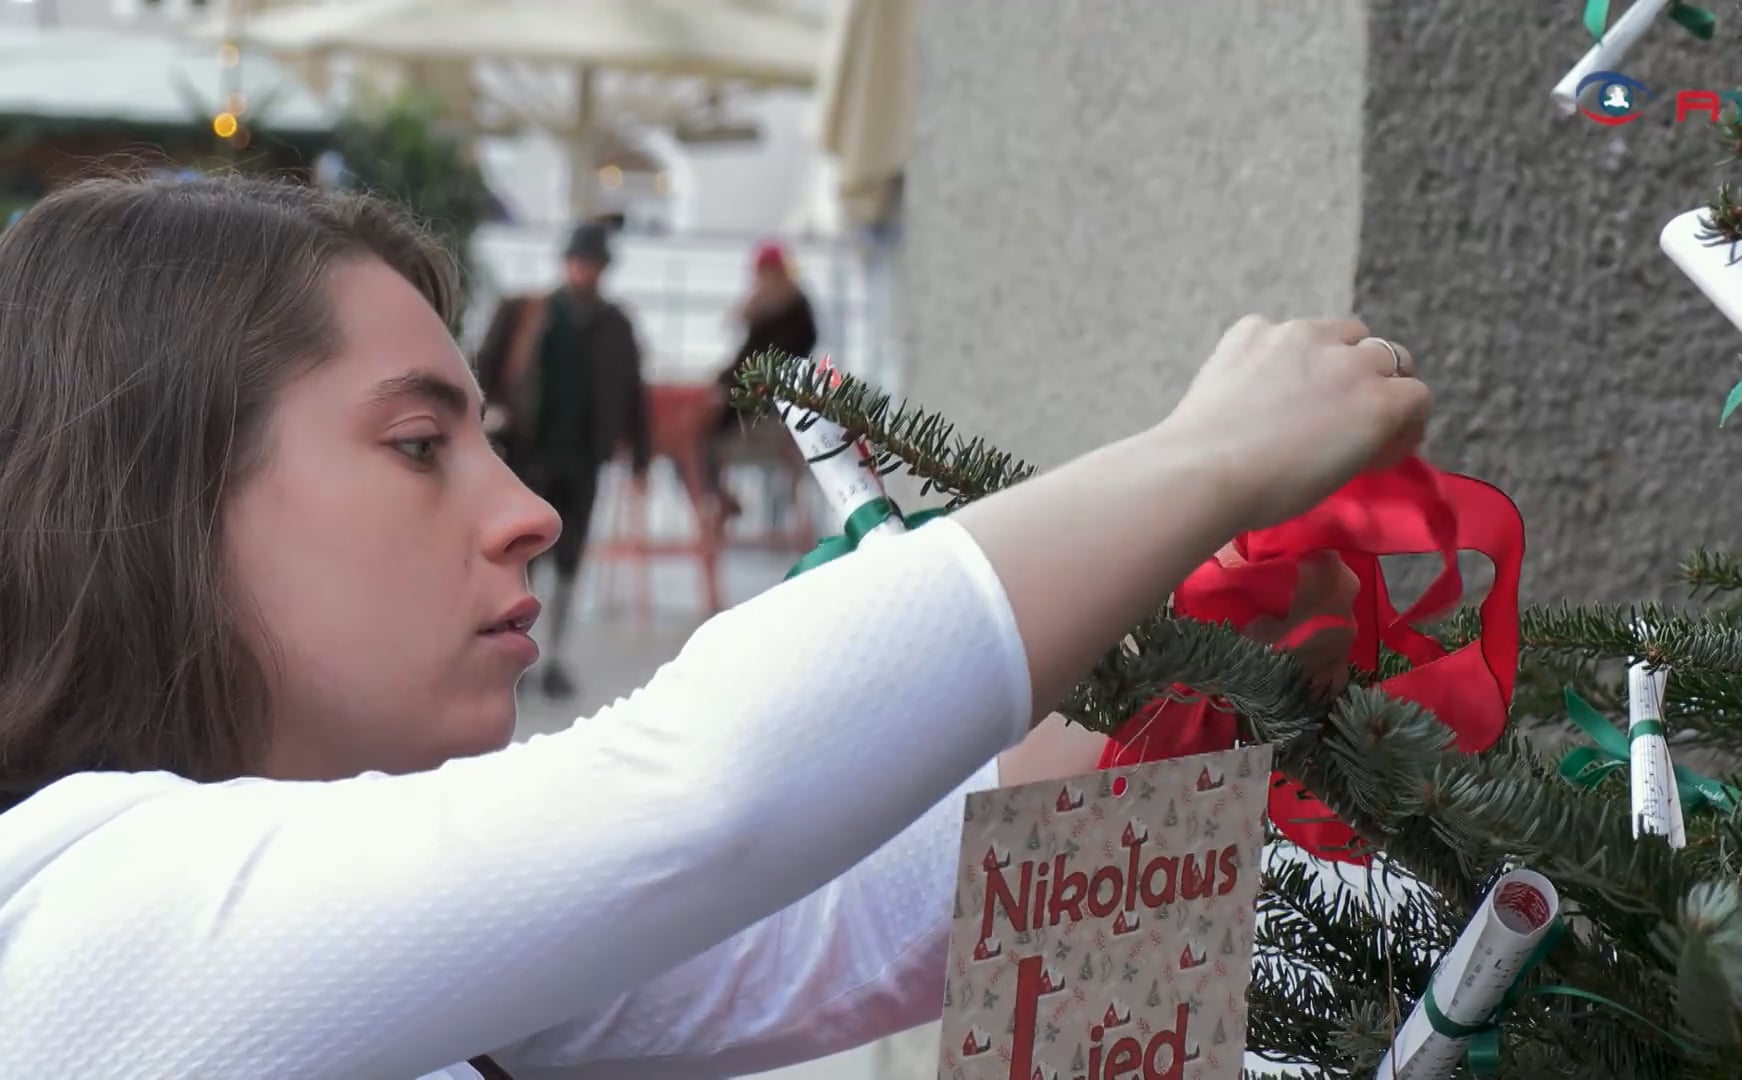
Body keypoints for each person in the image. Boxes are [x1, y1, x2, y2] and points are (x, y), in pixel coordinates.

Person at [0, 175, 1427, 1080]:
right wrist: (1200, 462)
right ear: (155, 492)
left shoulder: (445, 962)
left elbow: (855, 898)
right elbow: (707, 797)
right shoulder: (77, 925)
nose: (528, 514)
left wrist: (1213, 608)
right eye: (421, 446)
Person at [475, 222, 649, 699]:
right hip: (527, 456)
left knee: (570, 560)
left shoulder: (615, 324)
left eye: (591, 263)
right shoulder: (527, 313)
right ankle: (515, 652)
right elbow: (481, 373)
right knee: (522, 556)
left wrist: (639, 459)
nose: (583, 271)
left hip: (584, 458)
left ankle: (552, 656)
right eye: (578, 261)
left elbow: (633, 393)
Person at [706, 240, 818, 518]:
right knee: (700, 424)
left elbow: (766, 362)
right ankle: (717, 495)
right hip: (753, 392)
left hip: (765, 400)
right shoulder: (771, 307)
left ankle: (716, 497)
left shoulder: (789, 310)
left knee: (703, 429)